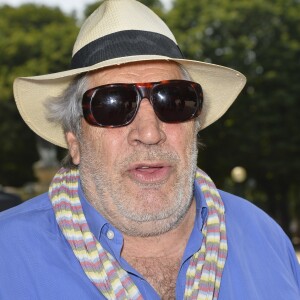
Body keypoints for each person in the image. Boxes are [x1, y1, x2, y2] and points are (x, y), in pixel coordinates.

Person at [0, 0, 299, 299]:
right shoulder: (8, 256)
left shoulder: (266, 239)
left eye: (174, 100)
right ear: (75, 142)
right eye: (112, 105)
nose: (149, 133)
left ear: (195, 125)